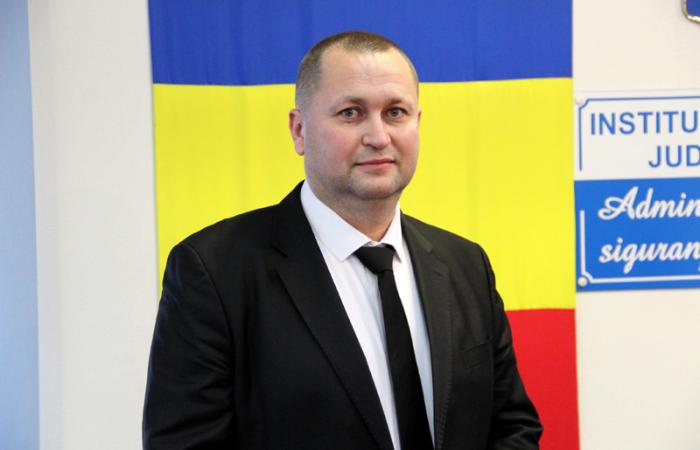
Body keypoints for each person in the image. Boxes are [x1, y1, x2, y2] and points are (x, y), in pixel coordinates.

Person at [143, 31, 541, 450]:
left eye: (395, 112)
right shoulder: (214, 271)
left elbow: (512, 427)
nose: (378, 136)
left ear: (417, 123)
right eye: (351, 113)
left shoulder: (466, 264)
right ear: (299, 130)